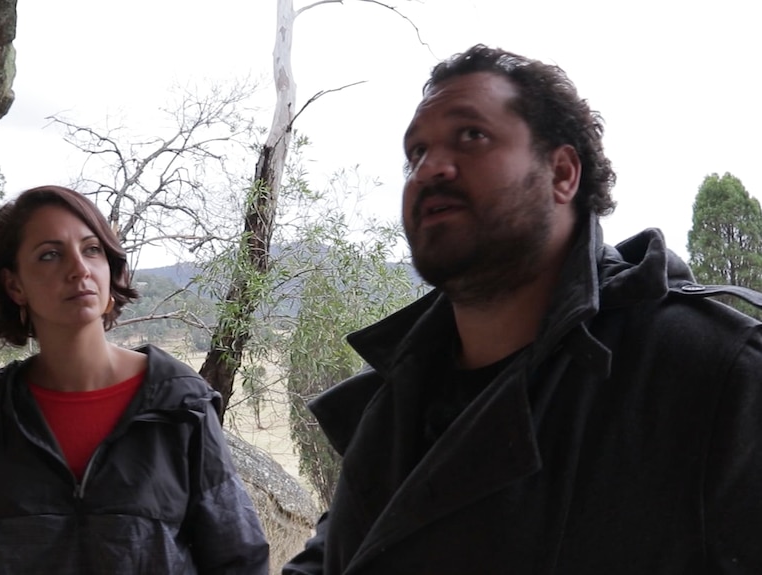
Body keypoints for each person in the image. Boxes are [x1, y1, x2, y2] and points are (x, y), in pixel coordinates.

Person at [283, 44, 762, 574]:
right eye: (415, 153)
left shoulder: (713, 376)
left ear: (562, 173)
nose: (429, 169)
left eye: (471, 135)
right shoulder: (391, 403)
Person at [0, 185, 269, 574]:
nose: (79, 269)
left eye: (92, 250)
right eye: (50, 255)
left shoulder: (179, 403)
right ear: (14, 285)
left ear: (110, 268)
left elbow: (239, 558)